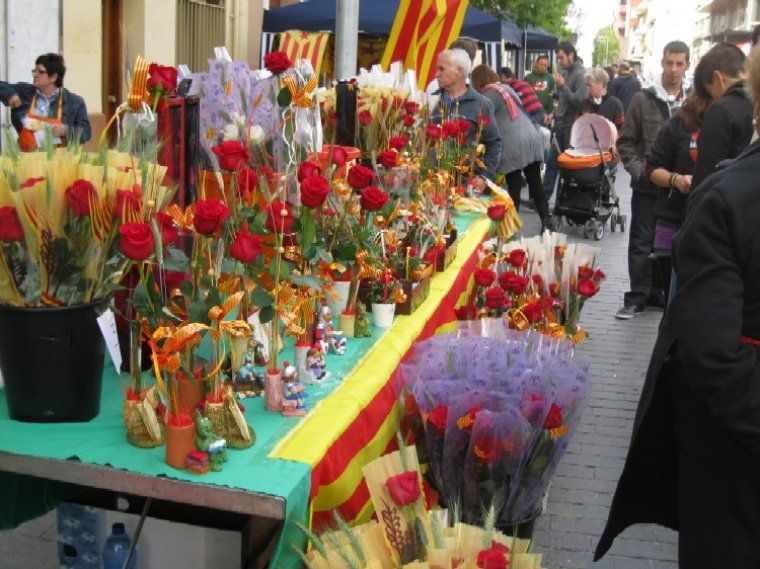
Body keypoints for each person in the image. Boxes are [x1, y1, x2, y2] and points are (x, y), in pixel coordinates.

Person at [597, 43, 760, 569]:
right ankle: (638, 293)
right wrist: (668, 178)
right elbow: (712, 351)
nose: (672, 69)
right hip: (664, 206)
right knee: (646, 255)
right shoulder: (655, 107)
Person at [615, 40, 690, 320]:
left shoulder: (693, 102)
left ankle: (663, 294)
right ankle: (637, 298)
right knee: (641, 242)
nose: (673, 69)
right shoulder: (643, 99)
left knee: (675, 242)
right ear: (662, 63)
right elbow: (626, 142)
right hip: (649, 187)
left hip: (682, 188)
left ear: (687, 66)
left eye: (679, 64)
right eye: (669, 63)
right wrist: (639, 172)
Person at [645, 90, 711, 302]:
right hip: (674, 220)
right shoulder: (679, 125)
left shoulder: (731, 125)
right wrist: (677, 180)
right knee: (674, 299)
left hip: (709, 226)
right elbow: (653, 168)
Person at [471, 64, 553, 232]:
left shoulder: (488, 95)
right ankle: (547, 222)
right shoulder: (506, 88)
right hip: (531, 137)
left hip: (513, 143)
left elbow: (480, 121)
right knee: (535, 182)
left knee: (514, 183)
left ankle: (511, 227)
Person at [432, 49, 502, 184]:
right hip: (433, 183)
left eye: (441, 69)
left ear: (459, 71)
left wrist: (483, 177)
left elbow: (494, 143)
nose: (436, 75)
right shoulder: (432, 101)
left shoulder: (481, 104)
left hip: (465, 185)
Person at [690, 43, 753, 188]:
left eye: (712, 94)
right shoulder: (756, 104)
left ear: (718, 78)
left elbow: (706, 176)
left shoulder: (721, 111)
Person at [0, 53, 90, 150]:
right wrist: (9, 95)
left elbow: (86, 133)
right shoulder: (24, 92)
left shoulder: (75, 102)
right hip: (26, 158)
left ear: (53, 77)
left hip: (58, 160)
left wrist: (66, 130)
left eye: (41, 72)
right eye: (34, 71)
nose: (35, 75)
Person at [542, 41, 587, 200]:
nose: (559, 62)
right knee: (552, 162)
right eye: (558, 58)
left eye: (561, 58)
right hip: (560, 123)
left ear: (571, 55)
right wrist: (553, 113)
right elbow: (563, 101)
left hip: (571, 126)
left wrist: (563, 87)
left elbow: (580, 102)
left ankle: (563, 201)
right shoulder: (567, 72)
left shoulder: (581, 74)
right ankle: (543, 198)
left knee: (565, 165)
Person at [525, 54, 556, 119]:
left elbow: (553, 96)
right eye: (541, 65)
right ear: (536, 64)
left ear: (547, 65)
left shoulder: (550, 78)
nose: (543, 67)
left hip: (546, 113)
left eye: (545, 65)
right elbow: (525, 95)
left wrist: (550, 112)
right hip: (531, 113)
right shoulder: (528, 78)